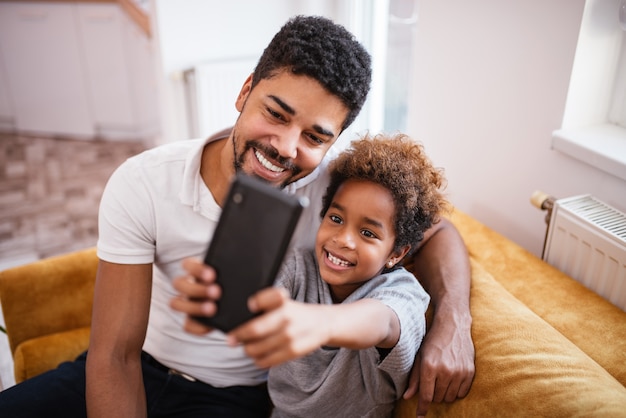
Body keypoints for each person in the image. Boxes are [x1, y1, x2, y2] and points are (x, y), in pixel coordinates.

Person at [0, 15, 473, 418]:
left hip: (236, 401)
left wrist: (452, 323)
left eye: (314, 137)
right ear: (246, 91)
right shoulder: (144, 181)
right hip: (138, 364)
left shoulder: (335, 198)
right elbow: (114, 355)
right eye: (276, 113)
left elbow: (438, 232)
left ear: (332, 143)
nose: (285, 148)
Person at [225, 133, 445, 417]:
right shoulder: (298, 266)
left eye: (367, 233)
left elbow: (381, 321)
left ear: (396, 254)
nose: (343, 239)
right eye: (336, 219)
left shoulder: (402, 291)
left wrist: (321, 323)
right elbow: (262, 300)